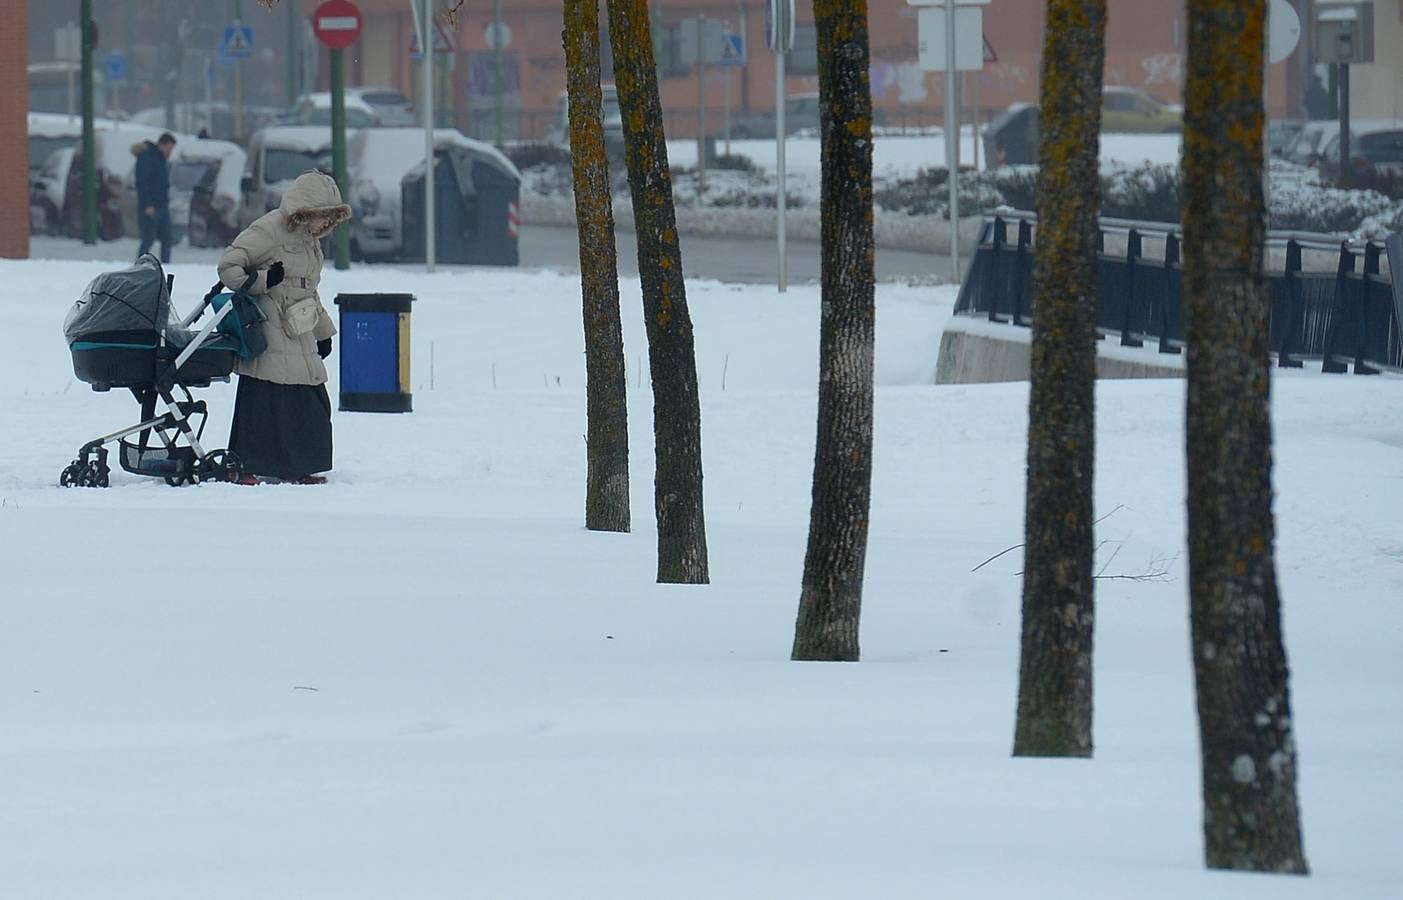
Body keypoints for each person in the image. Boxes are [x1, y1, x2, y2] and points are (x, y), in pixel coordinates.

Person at [217, 170, 351, 485]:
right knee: (266, 399)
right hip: (269, 328)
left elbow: (308, 290)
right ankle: (245, 464)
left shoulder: (310, 242)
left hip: (299, 327)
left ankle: (298, 465)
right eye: (322, 217)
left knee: (309, 399)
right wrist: (264, 281)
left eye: (331, 219)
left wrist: (323, 332)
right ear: (304, 211)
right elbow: (229, 267)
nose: (326, 225)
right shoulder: (269, 229)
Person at [133, 132, 177, 263]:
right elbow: (142, 183)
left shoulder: (160, 158)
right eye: (169, 148)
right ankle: (140, 264)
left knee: (167, 237)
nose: (170, 152)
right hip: (151, 206)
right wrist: (147, 204)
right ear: (161, 145)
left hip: (162, 204)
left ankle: (166, 265)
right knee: (148, 238)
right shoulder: (147, 158)